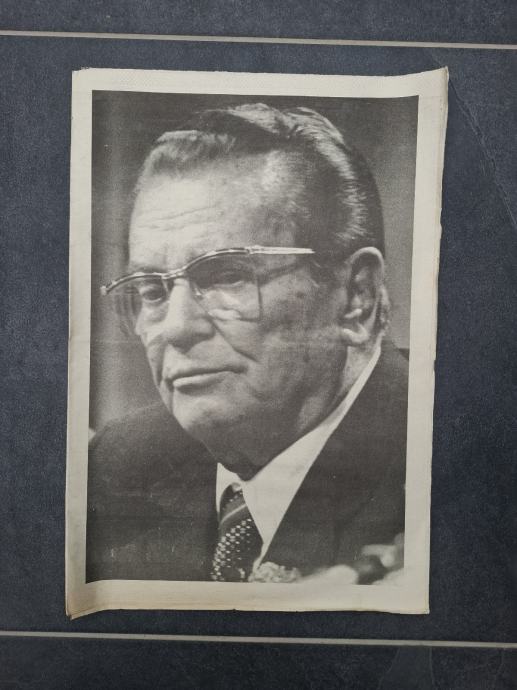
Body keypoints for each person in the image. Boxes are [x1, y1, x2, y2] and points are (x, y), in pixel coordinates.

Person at [86, 103, 407, 585]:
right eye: (151, 290)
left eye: (226, 276)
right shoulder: (119, 464)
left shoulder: (442, 464)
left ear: (355, 298)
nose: (175, 328)